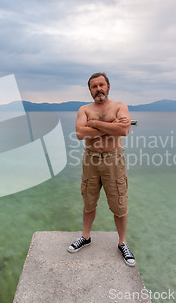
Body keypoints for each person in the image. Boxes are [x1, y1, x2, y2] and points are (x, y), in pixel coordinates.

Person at [67, 72, 135, 267]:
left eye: (101, 85)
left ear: (108, 86)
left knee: (119, 203)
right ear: (90, 90)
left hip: (114, 160)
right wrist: (110, 125)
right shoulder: (84, 109)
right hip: (91, 160)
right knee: (89, 200)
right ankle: (86, 237)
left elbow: (123, 130)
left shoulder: (120, 106)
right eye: (94, 86)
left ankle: (122, 242)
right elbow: (80, 133)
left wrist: (95, 124)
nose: (98, 89)